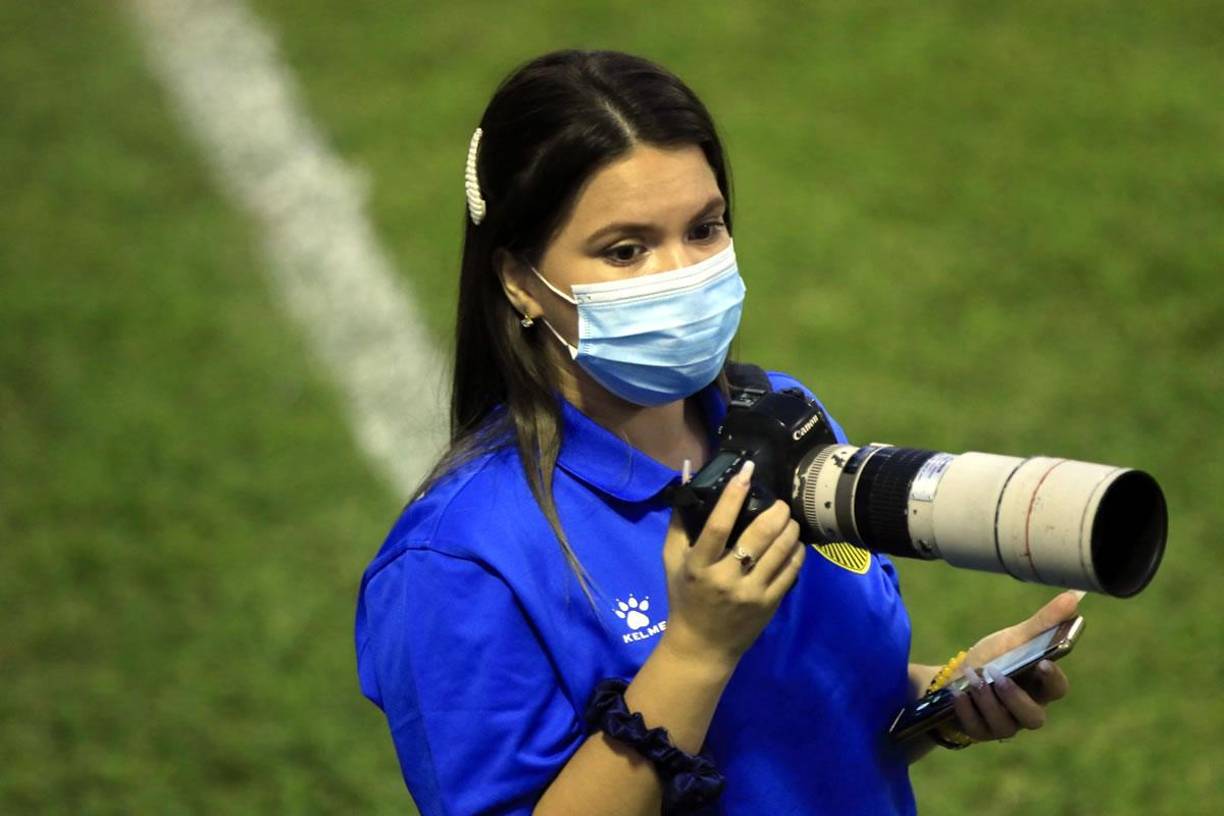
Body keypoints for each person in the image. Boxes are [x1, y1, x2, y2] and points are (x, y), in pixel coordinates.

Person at [355, 49, 1078, 815]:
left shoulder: (786, 417)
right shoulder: (461, 560)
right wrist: (695, 651)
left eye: (704, 229)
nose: (681, 274)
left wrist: (949, 698)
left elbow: (807, 700)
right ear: (516, 279)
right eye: (626, 249)